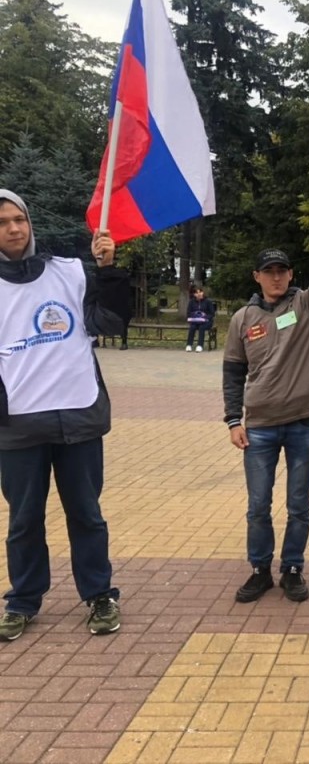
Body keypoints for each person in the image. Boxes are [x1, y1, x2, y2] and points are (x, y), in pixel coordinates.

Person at [0, 189, 126, 641]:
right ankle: (23, 600)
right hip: (18, 427)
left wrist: (108, 271)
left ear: (30, 223)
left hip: (79, 418)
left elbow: (109, 321)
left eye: (19, 219)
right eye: (3, 223)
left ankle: (99, 595)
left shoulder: (68, 271)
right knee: (23, 521)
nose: (14, 228)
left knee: (87, 514)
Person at [222, 183, 309, 604]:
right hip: (258, 427)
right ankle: (260, 569)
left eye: (282, 270)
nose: (276, 277)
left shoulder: (307, 306)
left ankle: (292, 568)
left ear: (291, 275)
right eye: (269, 271)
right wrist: (233, 420)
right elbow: (233, 372)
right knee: (258, 505)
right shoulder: (242, 319)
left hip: (302, 425)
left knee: (298, 504)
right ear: (257, 277)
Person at [185, 285, 215, 352]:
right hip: (195, 321)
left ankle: (200, 345)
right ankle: (189, 345)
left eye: (200, 292)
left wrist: (205, 317)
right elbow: (188, 313)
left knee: (202, 327)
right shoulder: (191, 302)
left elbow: (212, 313)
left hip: (206, 321)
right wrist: (194, 315)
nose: (199, 294)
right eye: (197, 293)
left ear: (203, 292)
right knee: (192, 327)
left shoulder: (208, 302)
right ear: (194, 294)